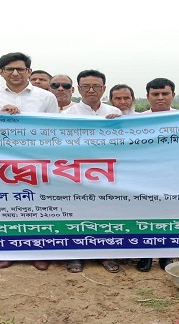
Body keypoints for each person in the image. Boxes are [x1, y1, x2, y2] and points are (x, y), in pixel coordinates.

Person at [0, 52, 57, 270]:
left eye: (20, 69)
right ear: (1, 72)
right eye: (9, 69)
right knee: (5, 207)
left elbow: (55, 130)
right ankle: (6, 250)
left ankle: (38, 251)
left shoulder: (46, 97)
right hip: (0, 162)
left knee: (38, 208)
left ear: (29, 71)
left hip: (35, 161)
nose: (15, 73)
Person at [62, 70, 122, 273]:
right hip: (77, 172)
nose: (91, 90)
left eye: (96, 86)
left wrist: (117, 125)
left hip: (108, 173)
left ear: (104, 89)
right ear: (78, 89)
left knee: (106, 214)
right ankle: (76, 255)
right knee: (77, 214)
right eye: (85, 86)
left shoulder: (115, 112)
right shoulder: (66, 115)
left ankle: (105, 254)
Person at [135, 77, 179, 272]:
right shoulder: (136, 119)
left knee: (169, 215)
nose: (160, 98)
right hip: (144, 177)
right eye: (155, 94)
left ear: (173, 96)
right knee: (144, 216)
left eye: (165, 94)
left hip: (173, 177)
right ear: (147, 97)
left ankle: (165, 255)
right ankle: (144, 255)